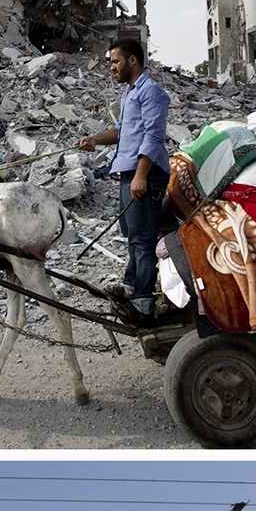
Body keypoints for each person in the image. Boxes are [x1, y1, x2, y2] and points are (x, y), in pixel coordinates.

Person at [78, 37, 172, 327]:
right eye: (110, 63)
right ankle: (132, 287)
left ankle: (142, 302)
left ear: (133, 60)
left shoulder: (152, 92)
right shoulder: (130, 93)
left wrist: (141, 176)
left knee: (143, 239)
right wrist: (95, 139)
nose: (112, 68)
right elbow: (122, 130)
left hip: (145, 174)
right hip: (128, 172)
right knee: (131, 233)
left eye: (115, 62)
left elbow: (154, 138)